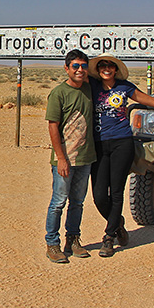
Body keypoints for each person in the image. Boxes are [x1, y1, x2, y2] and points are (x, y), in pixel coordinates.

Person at [88, 53, 154, 257]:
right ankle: (117, 222)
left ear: (115, 70)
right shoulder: (92, 86)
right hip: (99, 145)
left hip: (122, 143)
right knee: (99, 195)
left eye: (110, 66)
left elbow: (153, 102)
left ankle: (109, 237)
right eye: (102, 65)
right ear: (98, 69)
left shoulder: (125, 87)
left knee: (117, 191)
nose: (106, 69)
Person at [44, 49, 97, 264]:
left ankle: (73, 240)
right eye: (75, 66)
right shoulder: (59, 93)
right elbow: (53, 126)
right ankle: (52, 243)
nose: (80, 70)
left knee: (78, 202)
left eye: (84, 66)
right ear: (66, 68)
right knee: (58, 202)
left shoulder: (89, 89)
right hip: (65, 159)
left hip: (85, 158)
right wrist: (61, 158)